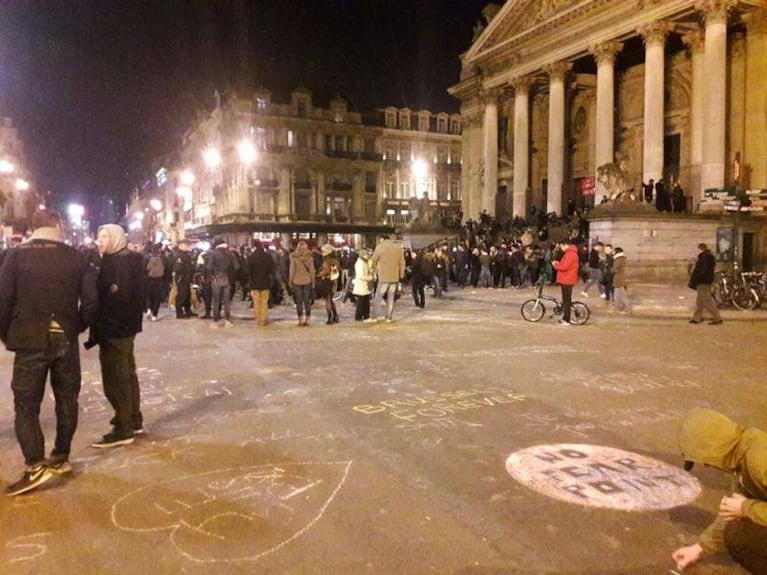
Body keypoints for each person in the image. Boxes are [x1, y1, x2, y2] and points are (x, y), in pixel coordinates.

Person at [0, 210, 98, 496]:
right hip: (65, 337)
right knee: (67, 397)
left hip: (30, 339)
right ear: (57, 226)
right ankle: (61, 456)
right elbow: (91, 302)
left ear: (32, 227)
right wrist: (75, 325)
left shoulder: (15, 256)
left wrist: (6, 333)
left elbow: (3, 299)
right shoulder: (77, 257)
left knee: (26, 404)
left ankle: (35, 465)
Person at [672, 408, 767, 574]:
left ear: (714, 449)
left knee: (742, 531)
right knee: (737, 533)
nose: (707, 465)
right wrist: (699, 548)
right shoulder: (740, 456)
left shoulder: (760, 461)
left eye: (704, 459)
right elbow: (731, 513)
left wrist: (746, 508)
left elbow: (744, 507)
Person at [88, 224, 146, 448]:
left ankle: (123, 427)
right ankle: (133, 419)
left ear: (116, 239)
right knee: (127, 374)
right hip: (126, 329)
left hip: (115, 330)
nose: (100, 240)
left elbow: (116, 300)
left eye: (105, 236)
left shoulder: (117, 264)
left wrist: (100, 326)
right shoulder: (125, 260)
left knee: (116, 378)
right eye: (99, 236)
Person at [371, 234, 406, 323]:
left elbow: (373, 260)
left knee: (378, 297)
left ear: (382, 239)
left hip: (383, 276)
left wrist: (374, 270)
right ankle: (388, 317)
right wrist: (401, 274)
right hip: (394, 276)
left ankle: (374, 316)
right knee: (391, 298)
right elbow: (402, 262)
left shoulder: (380, 247)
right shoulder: (398, 248)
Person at [688, 242, 723, 325]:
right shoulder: (708, 256)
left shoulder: (704, 257)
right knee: (700, 301)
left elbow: (702, 271)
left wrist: (697, 279)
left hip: (703, 281)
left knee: (707, 300)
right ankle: (697, 318)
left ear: (701, 249)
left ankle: (717, 318)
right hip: (705, 281)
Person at [247, 240, 275, 326]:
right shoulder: (267, 257)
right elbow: (272, 270)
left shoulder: (251, 257)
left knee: (256, 302)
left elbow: (248, 271)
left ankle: (258, 319)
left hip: (254, 283)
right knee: (264, 302)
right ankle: (263, 319)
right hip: (265, 282)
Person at [208, 238, 235, 327]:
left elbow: (209, 267)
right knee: (227, 301)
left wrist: (211, 276)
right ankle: (227, 319)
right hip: (227, 279)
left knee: (216, 300)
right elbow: (236, 266)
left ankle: (216, 319)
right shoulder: (230, 254)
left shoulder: (213, 254)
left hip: (216, 278)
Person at [551, 238, 579, 325]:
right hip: (568, 279)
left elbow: (564, 267)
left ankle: (567, 319)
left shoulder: (570, 254)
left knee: (566, 301)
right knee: (566, 300)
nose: (561, 248)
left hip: (567, 280)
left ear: (565, 245)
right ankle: (566, 317)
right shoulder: (571, 253)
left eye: (561, 246)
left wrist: (555, 265)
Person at [289, 240, 315, 326]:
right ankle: (307, 320)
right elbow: (312, 271)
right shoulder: (310, 258)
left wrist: (290, 281)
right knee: (307, 301)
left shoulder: (294, 258)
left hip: (297, 281)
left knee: (299, 301)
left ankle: (300, 320)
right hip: (307, 281)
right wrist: (313, 282)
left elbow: (292, 271)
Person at [316, 244, 341, 324]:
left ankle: (330, 317)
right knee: (330, 300)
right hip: (334, 281)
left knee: (328, 300)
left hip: (327, 282)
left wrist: (319, 274)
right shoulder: (335, 261)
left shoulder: (326, 262)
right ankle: (335, 316)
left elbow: (326, 271)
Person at [173, 240, 195, 319]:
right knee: (181, 295)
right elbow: (178, 267)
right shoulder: (178, 255)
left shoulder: (186, 254)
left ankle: (188, 311)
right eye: (185, 245)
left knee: (187, 295)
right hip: (181, 278)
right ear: (180, 246)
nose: (186, 247)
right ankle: (179, 313)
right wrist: (181, 276)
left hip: (187, 278)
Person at [352, 248, 375, 322]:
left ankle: (365, 316)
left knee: (365, 302)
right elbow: (361, 275)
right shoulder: (359, 264)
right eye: (366, 254)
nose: (367, 256)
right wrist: (370, 278)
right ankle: (361, 317)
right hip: (361, 285)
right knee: (362, 302)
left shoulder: (364, 262)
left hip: (365, 285)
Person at [611, 247, 631, 314]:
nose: (613, 252)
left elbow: (614, 269)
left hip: (618, 278)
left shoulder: (618, 259)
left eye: (614, 251)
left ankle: (628, 309)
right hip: (620, 278)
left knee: (621, 294)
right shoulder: (622, 258)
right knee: (617, 294)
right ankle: (618, 307)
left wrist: (611, 270)